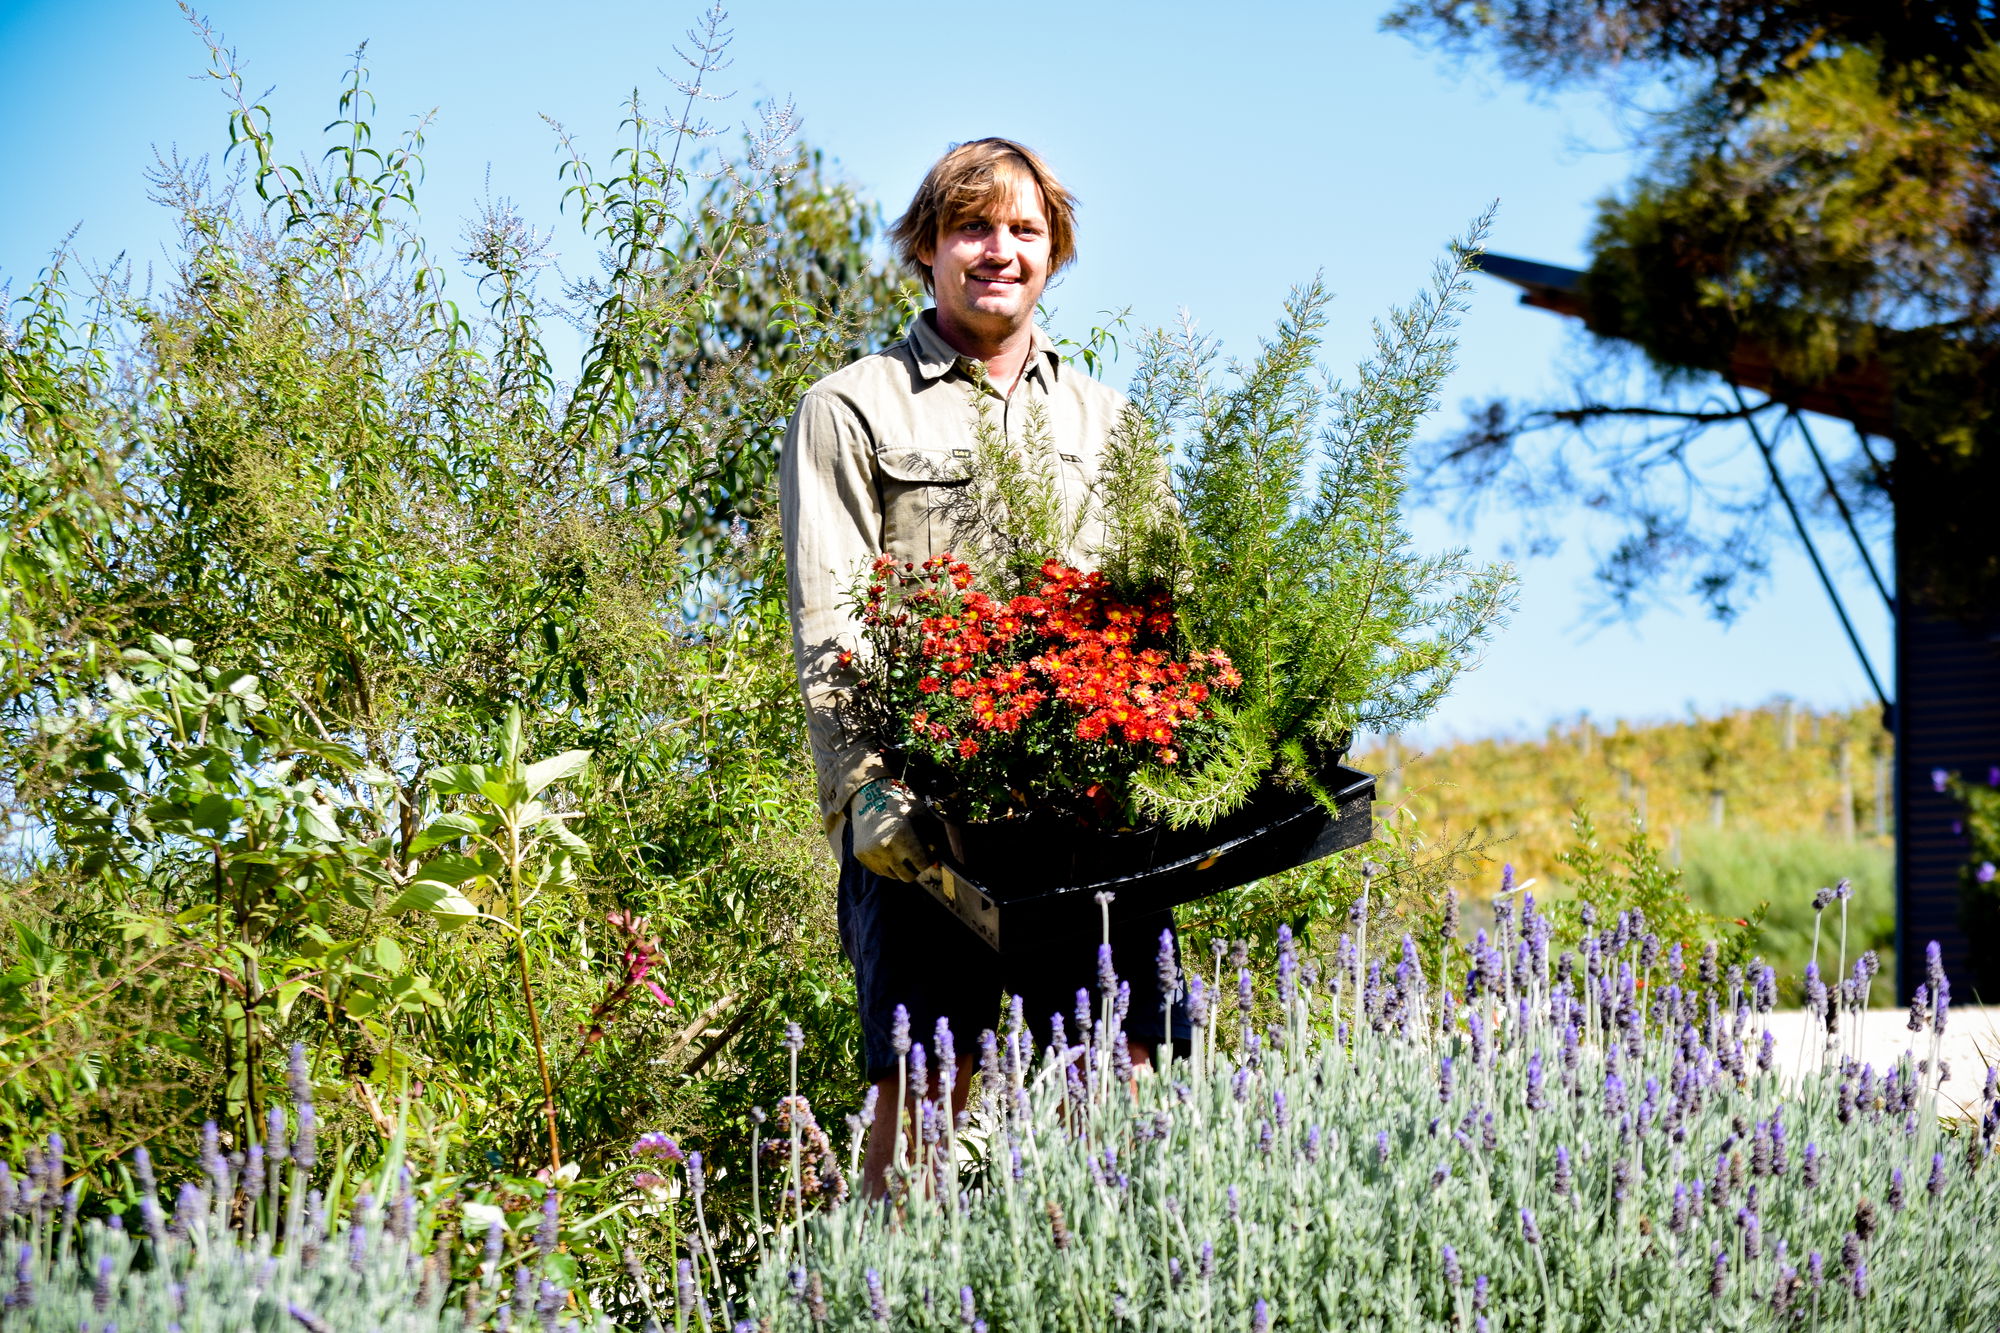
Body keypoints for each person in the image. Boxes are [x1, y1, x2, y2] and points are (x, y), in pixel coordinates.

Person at [778, 138, 1188, 1197]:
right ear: (926, 249)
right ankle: (880, 1302)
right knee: (921, 1084)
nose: (996, 250)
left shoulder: (1110, 422)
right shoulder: (853, 407)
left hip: (1093, 821)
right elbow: (831, 620)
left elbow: (1166, 626)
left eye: (1022, 230)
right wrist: (864, 793)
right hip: (926, 821)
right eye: (970, 227)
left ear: (1053, 254)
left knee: (1118, 1076)